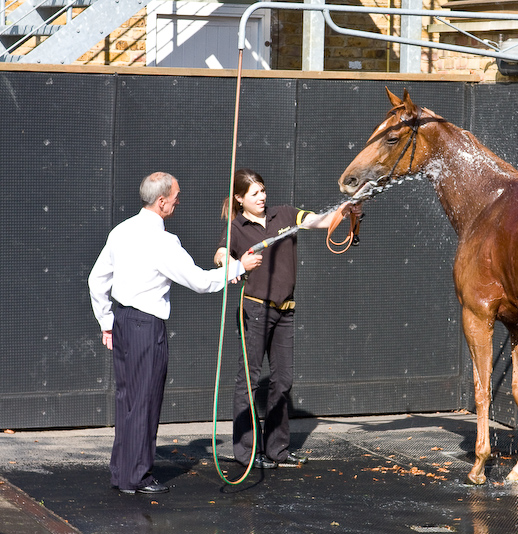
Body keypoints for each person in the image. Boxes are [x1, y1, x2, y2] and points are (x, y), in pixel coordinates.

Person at [88, 171, 261, 494]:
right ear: (162, 201)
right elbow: (198, 281)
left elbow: (97, 280)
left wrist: (107, 321)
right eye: (176, 196)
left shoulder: (121, 231)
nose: (180, 200)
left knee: (128, 401)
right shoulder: (163, 242)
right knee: (145, 402)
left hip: (124, 323)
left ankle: (122, 473)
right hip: (145, 327)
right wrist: (239, 268)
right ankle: (136, 477)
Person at [214, 168, 360, 469]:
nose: (263, 197)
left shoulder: (284, 215)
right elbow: (220, 255)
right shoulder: (236, 227)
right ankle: (246, 454)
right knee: (249, 382)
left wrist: (346, 210)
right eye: (255, 193)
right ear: (240, 199)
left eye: (263, 190)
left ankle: (277, 450)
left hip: (285, 310)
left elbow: (318, 221)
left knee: (283, 381)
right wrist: (233, 263)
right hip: (254, 311)